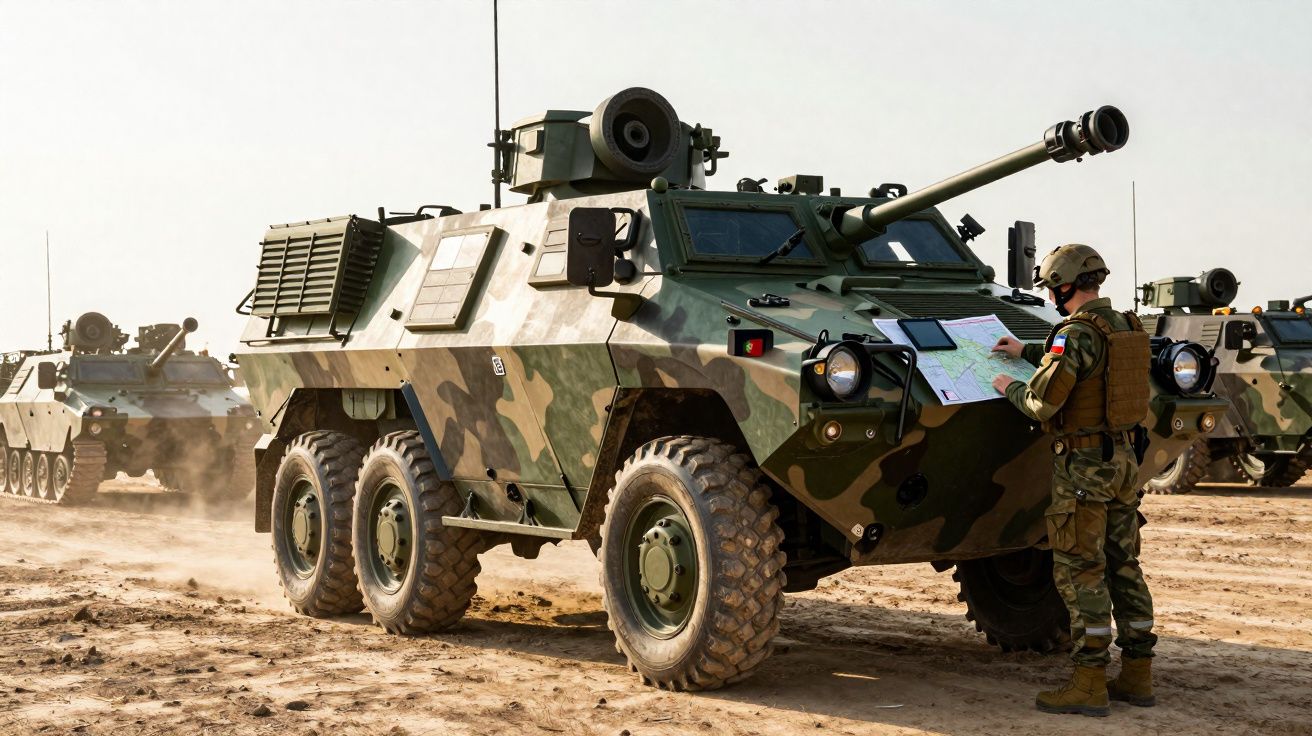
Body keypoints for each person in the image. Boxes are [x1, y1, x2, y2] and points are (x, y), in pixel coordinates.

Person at [990, 244, 1157, 717]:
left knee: (1080, 570)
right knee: (1124, 565)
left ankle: (1088, 683)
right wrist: (1026, 351)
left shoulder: (1074, 333)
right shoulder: (1126, 325)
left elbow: (1042, 403)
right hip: (1123, 461)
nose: (1052, 297)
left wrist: (1009, 385)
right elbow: (1092, 368)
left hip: (1083, 468)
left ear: (1064, 287)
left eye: (1052, 289)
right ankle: (1138, 672)